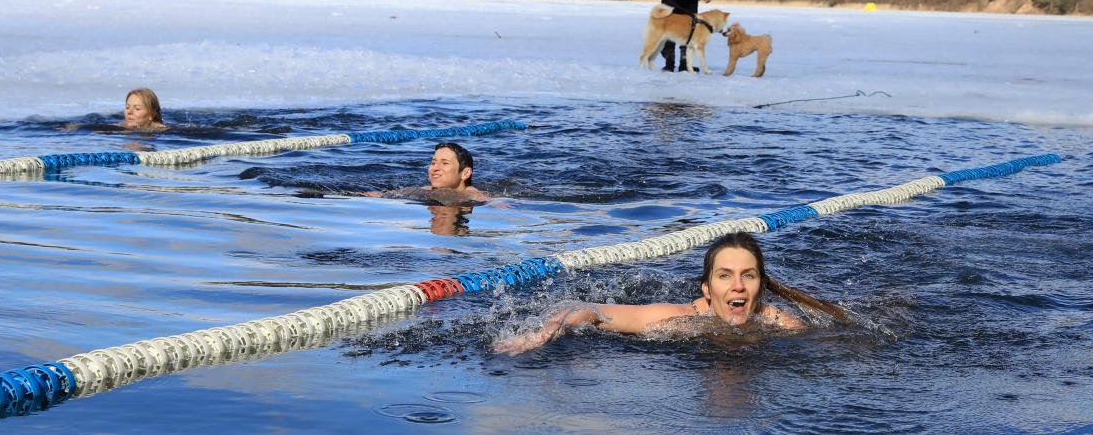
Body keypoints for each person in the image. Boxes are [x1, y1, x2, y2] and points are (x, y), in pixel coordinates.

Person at [494, 232, 853, 354]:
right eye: (725, 276)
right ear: (707, 289)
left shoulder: (781, 324)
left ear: (760, 285)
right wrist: (549, 331)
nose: (738, 286)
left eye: (749, 276)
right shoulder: (680, 318)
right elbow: (591, 310)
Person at [365, 142, 488, 203]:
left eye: (445, 163)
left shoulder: (470, 193)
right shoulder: (425, 189)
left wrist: (498, 203)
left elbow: (489, 200)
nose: (435, 168)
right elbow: (392, 195)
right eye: (433, 163)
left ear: (465, 173)